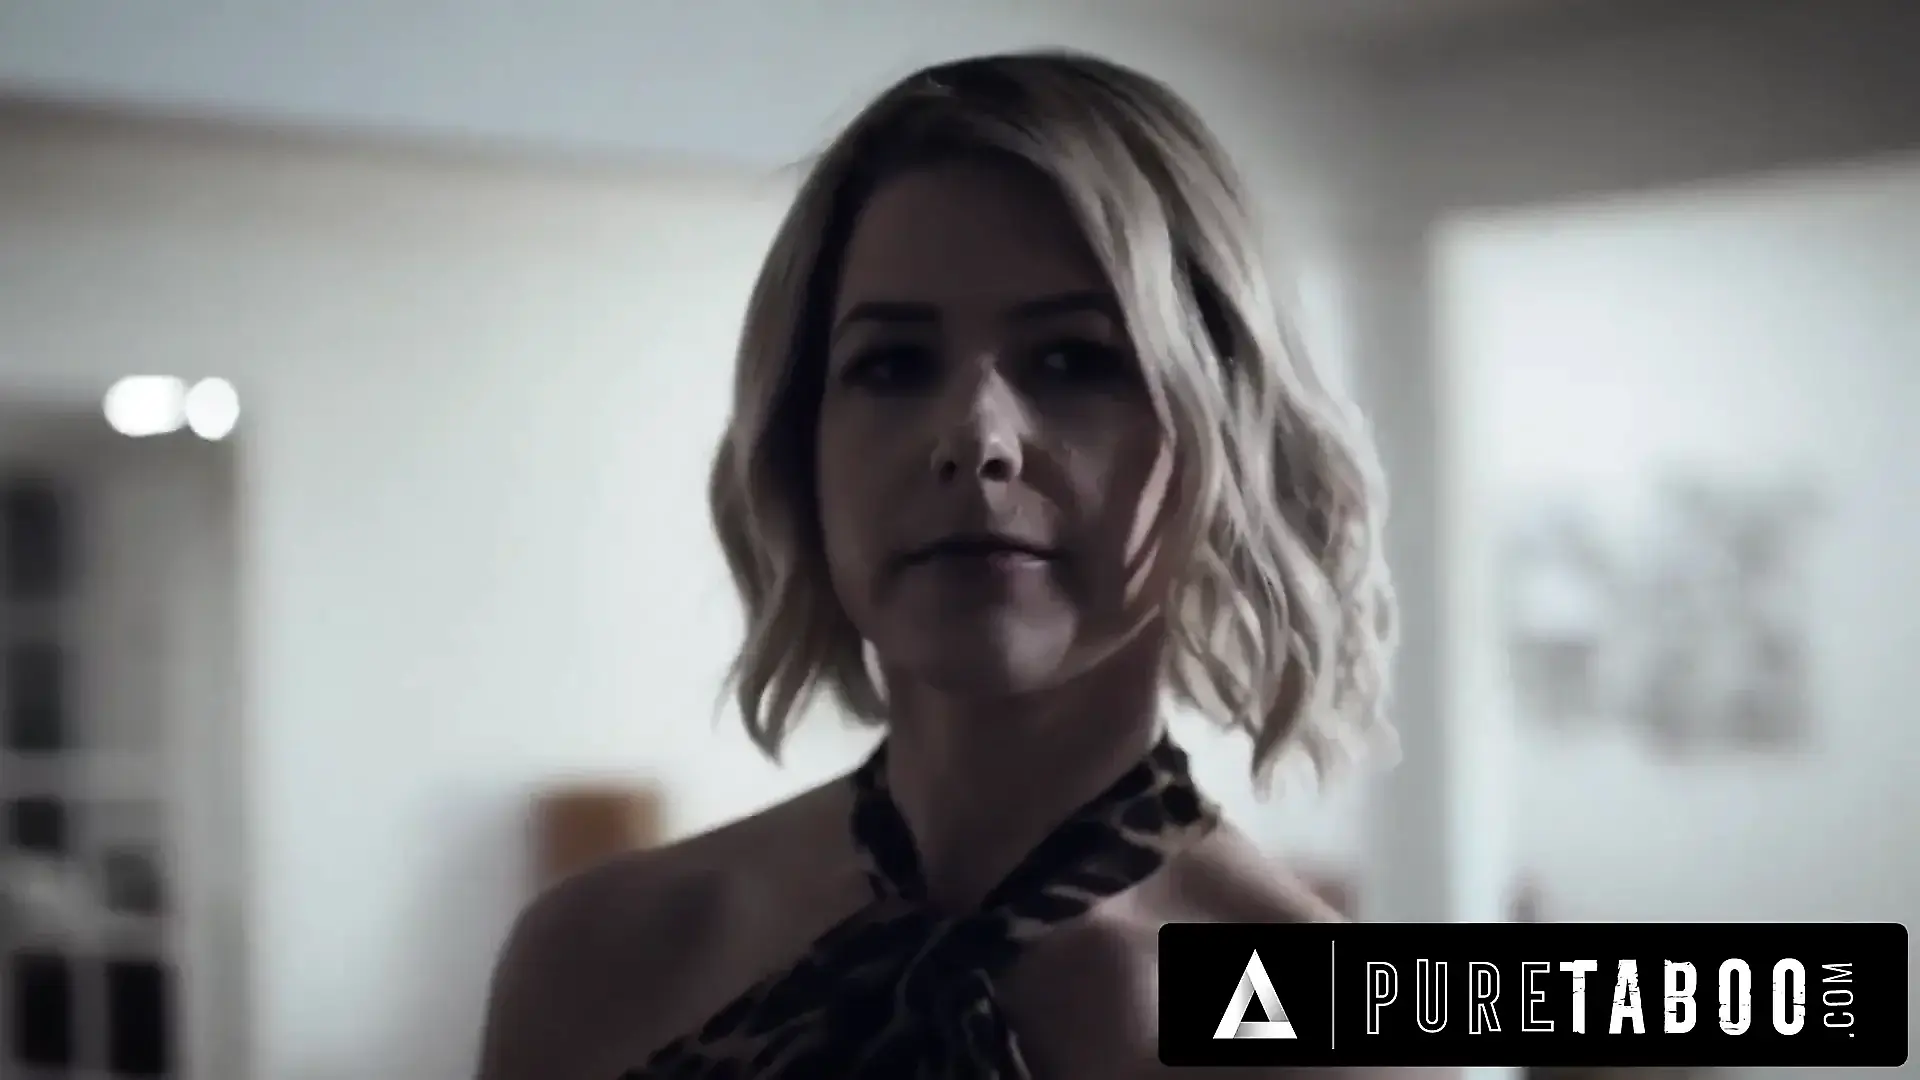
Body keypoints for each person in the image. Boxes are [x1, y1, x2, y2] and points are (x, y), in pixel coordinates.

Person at [476, 48, 1397, 1080]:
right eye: (894, 364)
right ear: (802, 446)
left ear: (1220, 434)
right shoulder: (595, 962)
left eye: (1074, 359)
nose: (975, 437)